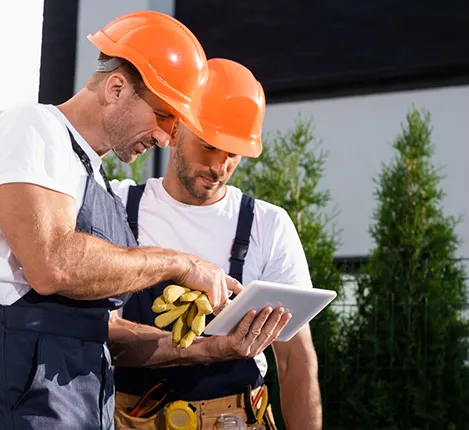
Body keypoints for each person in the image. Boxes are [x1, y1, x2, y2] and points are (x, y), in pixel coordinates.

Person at [0, 11, 285, 430]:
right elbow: (51, 264)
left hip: (84, 397)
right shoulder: (32, 129)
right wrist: (179, 264)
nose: (167, 137)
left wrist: (215, 349)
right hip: (25, 388)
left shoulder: (95, 178)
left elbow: (107, 333)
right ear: (116, 88)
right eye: (165, 116)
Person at [108, 59, 323, 430]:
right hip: (130, 419)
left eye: (233, 153)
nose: (220, 167)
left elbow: (295, 360)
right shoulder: (116, 205)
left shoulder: (266, 225)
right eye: (209, 147)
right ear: (175, 130)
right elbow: (97, 333)